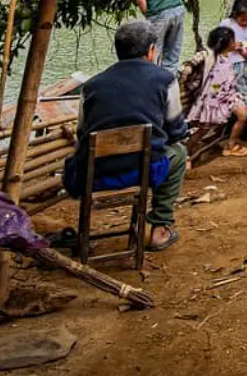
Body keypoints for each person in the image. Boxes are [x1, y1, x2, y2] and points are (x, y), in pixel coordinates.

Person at [66, 19, 188, 251]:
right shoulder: (166, 80)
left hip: (93, 176)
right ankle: (160, 227)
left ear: (118, 50)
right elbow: (176, 130)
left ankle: (84, 237)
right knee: (179, 154)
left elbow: (82, 132)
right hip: (141, 172)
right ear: (151, 50)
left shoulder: (92, 86)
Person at [187, 25, 247, 157]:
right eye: (232, 40)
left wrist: (239, 50)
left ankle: (231, 145)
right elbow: (213, 81)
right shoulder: (212, 57)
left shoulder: (226, 56)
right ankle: (186, 154)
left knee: (243, 115)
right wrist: (186, 70)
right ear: (226, 43)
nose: (235, 42)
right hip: (214, 100)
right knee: (203, 129)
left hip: (226, 97)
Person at [130, 0, 186, 72]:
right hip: (178, 9)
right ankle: (170, 81)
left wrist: (148, 15)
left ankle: (153, 80)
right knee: (173, 50)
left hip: (160, 12)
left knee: (154, 51)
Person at [214, 0, 247, 106]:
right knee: (242, 93)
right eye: (242, 20)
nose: (245, 23)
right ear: (235, 15)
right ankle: (245, 116)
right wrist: (233, 47)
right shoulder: (227, 24)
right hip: (232, 65)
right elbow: (218, 45)